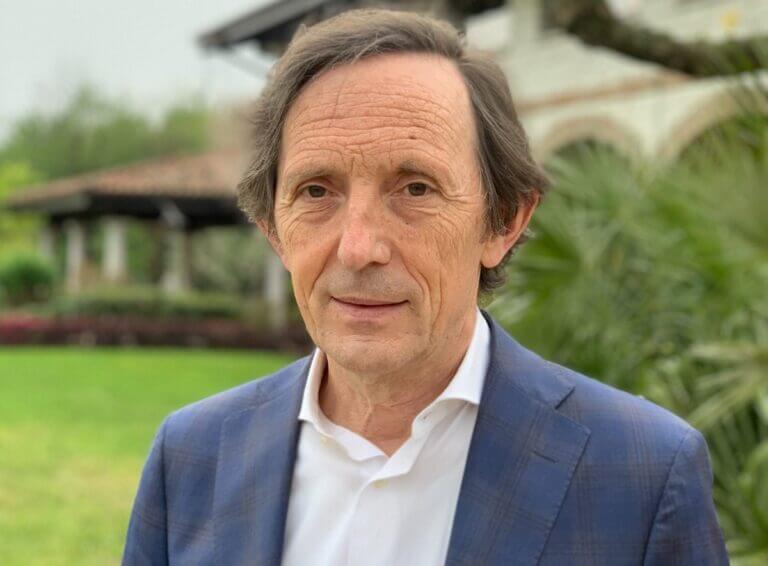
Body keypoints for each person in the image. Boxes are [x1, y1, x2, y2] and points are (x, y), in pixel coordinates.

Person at [123, 8, 727, 565]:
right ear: (273, 230)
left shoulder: (644, 475)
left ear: (503, 222)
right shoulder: (191, 458)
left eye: (415, 188)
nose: (359, 248)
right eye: (317, 191)